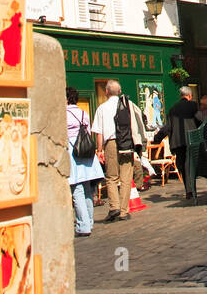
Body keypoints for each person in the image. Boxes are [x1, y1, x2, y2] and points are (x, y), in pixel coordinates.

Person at [91, 80, 148, 222]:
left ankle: (114, 207)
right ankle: (124, 211)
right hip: (127, 143)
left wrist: (99, 150)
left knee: (111, 177)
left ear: (106, 92)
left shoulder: (102, 108)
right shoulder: (128, 105)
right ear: (120, 91)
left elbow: (99, 133)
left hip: (110, 143)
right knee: (126, 177)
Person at [66, 87, 103, 236]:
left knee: (77, 190)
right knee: (88, 189)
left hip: (73, 151)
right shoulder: (84, 113)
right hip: (86, 152)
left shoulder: (64, 114)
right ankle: (90, 221)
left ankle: (83, 225)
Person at [153, 86, 199, 198]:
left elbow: (167, 127)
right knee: (191, 164)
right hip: (192, 140)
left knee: (183, 165)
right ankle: (191, 189)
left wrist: (157, 138)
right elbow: (200, 120)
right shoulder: (194, 106)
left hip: (178, 142)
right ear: (189, 96)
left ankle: (189, 190)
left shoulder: (173, 109)